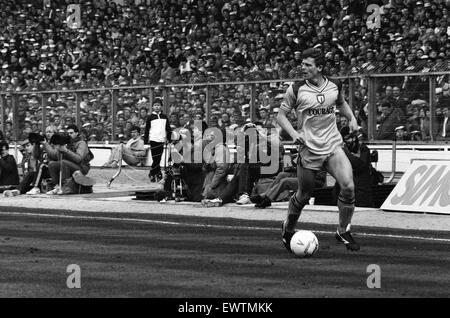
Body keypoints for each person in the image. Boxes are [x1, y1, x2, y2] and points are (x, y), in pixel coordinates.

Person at [276, 48, 360, 253]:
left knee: (348, 186)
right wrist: (294, 134)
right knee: (304, 195)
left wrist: (352, 118)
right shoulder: (296, 89)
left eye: (307, 65)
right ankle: (288, 228)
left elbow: (341, 103)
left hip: (332, 145)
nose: (302, 67)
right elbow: (281, 116)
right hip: (309, 149)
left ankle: (343, 230)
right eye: (302, 64)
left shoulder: (334, 85)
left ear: (319, 67)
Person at [43, 124, 92, 195]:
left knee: (64, 162)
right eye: (68, 133)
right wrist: (58, 148)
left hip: (81, 167)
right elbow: (55, 157)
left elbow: (78, 159)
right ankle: (57, 187)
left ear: (77, 133)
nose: (69, 135)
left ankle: (65, 187)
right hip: (70, 164)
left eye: (71, 133)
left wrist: (66, 151)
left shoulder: (81, 143)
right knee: (52, 164)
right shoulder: (67, 142)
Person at [333, 127, 374, 208]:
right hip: (345, 186)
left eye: (347, 139)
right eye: (344, 140)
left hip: (361, 190)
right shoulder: (341, 150)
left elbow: (360, 165)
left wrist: (347, 153)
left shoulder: (363, 149)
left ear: (354, 138)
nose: (346, 142)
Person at [144, 98, 172, 182]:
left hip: (161, 140)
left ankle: (154, 173)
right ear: (152, 107)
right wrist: (146, 142)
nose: (157, 107)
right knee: (155, 158)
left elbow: (168, 129)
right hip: (153, 140)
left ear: (161, 107)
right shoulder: (150, 117)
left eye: (158, 105)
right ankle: (156, 174)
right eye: (155, 105)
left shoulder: (164, 117)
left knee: (158, 158)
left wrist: (169, 139)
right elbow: (147, 130)